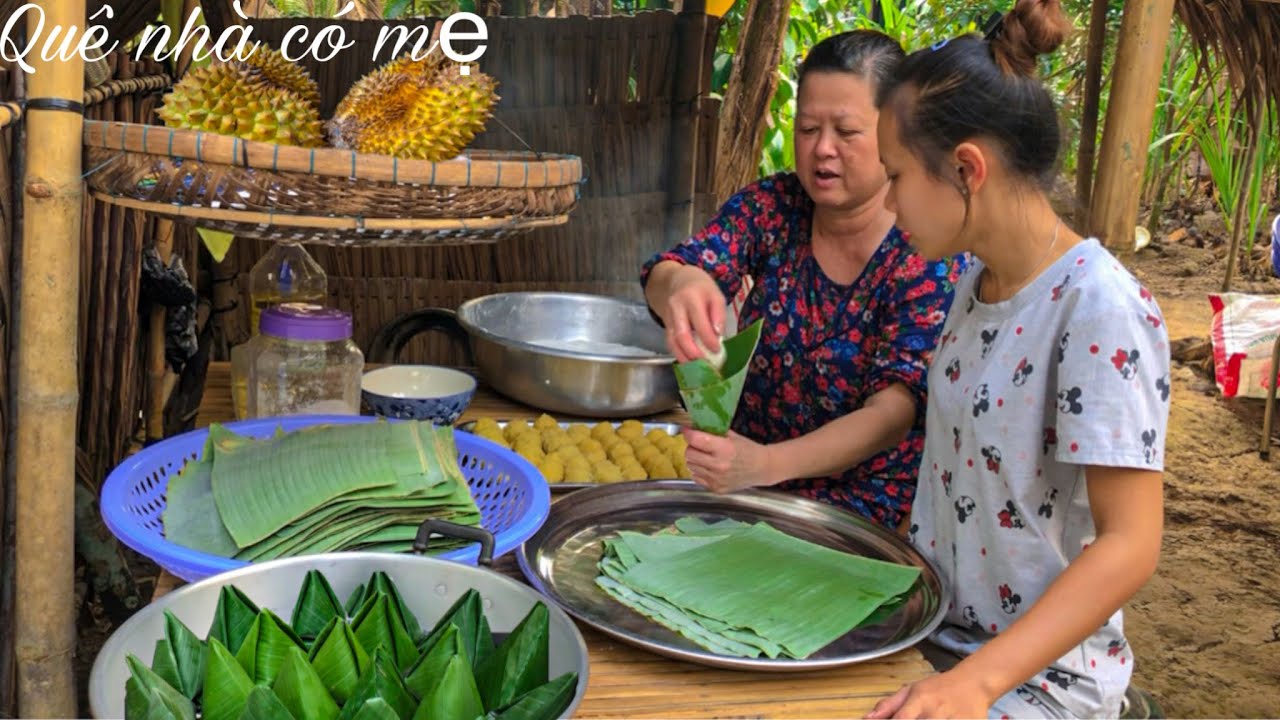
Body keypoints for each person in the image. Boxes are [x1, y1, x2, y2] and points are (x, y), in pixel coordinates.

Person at [865, 2, 1170, 718]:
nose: (887, 200)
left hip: (1040, 678)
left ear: (967, 169)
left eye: (897, 174)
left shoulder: (1100, 308)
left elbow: (1132, 543)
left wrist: (975, 683)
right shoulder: (975, 284)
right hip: (938, 637)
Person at [640, 29, 966, 532]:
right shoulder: (773, 207)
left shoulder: (922, 249)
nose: (822, 150)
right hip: (739, 488)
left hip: (859, 517)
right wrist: (683, 284)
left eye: (846, 131)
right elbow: (673, 268)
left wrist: (768, 465)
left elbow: (894, 412)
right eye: (808, 128)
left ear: (895, 132)